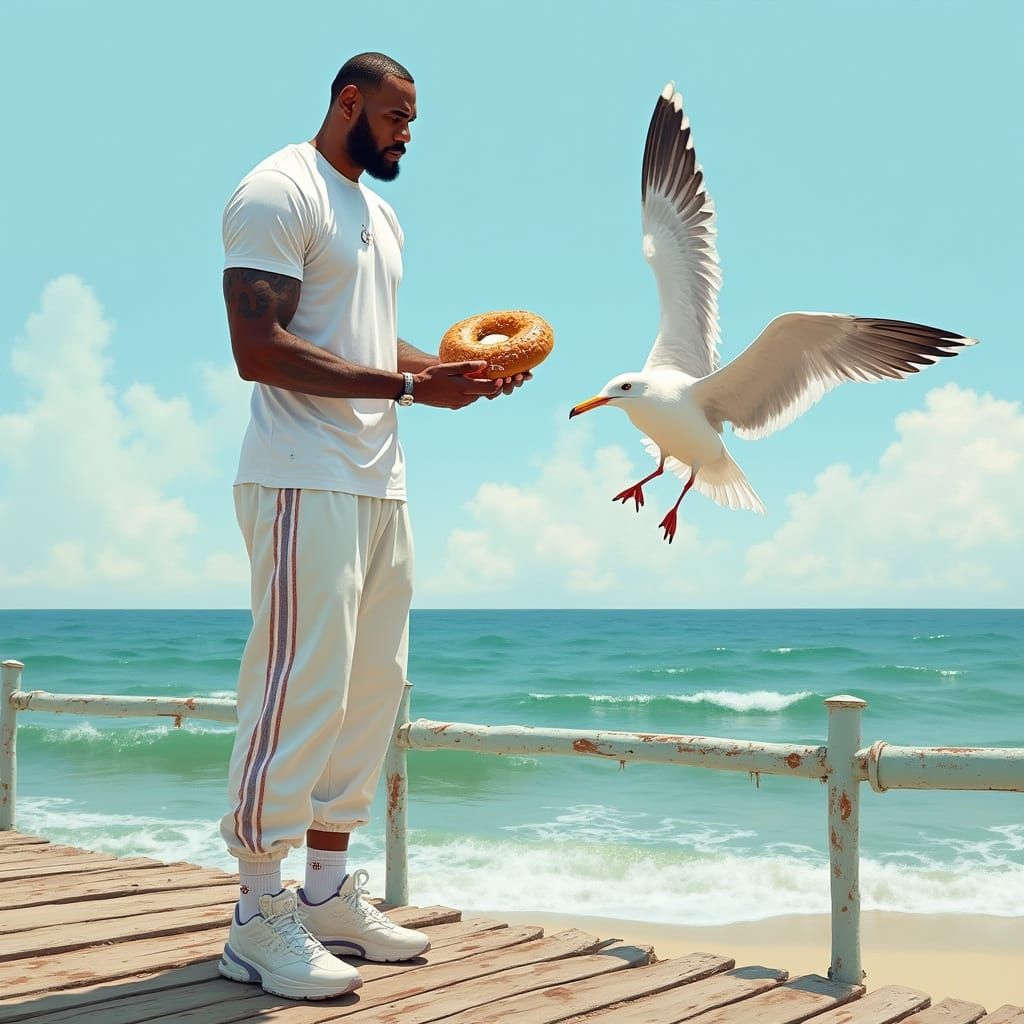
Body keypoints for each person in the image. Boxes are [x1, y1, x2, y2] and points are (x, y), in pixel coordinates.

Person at [216, 52, 529, 1001]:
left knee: (371, 687)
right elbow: (258, 348)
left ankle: (322, 894)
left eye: (414, 120)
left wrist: (442, 375)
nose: (406, 132)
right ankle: (256, 914)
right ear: (347, 102)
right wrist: (404, 384)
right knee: (299, 682)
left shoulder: (379, 215)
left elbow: (359, 340)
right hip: (301, 477)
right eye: (395, 114)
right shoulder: (277, 191)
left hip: (379, 481)